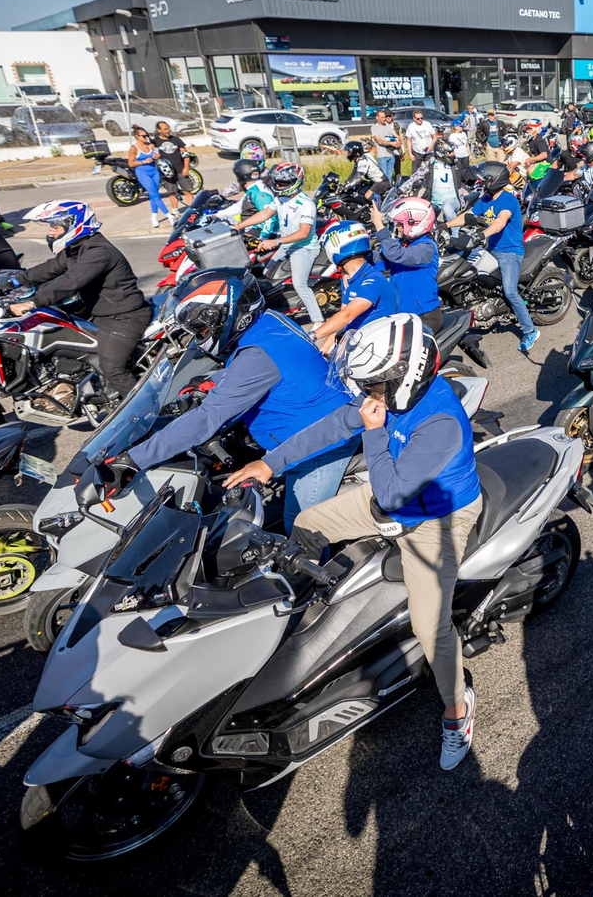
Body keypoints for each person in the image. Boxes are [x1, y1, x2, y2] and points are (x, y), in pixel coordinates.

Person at [226, 313, 484, 770]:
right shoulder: (387, 397)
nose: (367, 394)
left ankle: (456, 708)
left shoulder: (439, 419)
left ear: (405, 376)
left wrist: (374, 430)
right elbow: (329, 428)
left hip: (437, 518)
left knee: (431, 625)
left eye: (374, 385)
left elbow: (390, 493)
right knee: (307, 522)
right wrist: (269, 465)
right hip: (396, 493)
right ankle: (295, 617)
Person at [113, 270, 353, 530]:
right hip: (312, 426)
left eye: (201, 328)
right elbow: (270, 368)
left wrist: (133, 460)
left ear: (225, 318)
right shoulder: (270, 322)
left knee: (302, 530)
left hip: (319, 446)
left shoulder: (257, 354)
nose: (199, 336)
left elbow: (208, 418)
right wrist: (213, 381)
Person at [15, 200, 152, 402]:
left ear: (74, 225)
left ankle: (153, 409)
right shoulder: (77, 248)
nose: (52, 232)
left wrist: (32, 303)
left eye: (55, 226)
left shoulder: (98, 252)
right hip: (103, 314)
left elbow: (70, 282)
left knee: (112, 368)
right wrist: (14, 281)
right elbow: (50, 268)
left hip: (124, 318)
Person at [471, 163, 538, 353]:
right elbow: (469, 215)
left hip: (510, 252)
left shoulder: (508, 200)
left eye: (485, 180)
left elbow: (500, 222)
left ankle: (530, 330)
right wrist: (443, 224)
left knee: (510, 291)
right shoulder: (486, 198)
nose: (482, 183)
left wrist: (482, 235)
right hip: (492, 248)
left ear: (494, 181)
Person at [252, 162, 323, 325]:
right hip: (286, 245)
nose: (278, 185)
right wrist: (238, 227)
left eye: (282, 183)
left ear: (294, 182)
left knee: (300, 284)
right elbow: (263, 215)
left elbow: (303, 233)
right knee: (267, 274)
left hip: (304, 247)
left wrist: (276, 241)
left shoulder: (306, 204)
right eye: (276, 182)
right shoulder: (280, 199)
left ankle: (318, 322)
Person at [311, 222, 394, 353]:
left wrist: (312, 336)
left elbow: (347, 315)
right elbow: (341, 320)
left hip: (374, 350)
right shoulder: (350, 279)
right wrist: (322, 350)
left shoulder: (373, 280)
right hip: (355, 345)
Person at [370, 196, 443, 333]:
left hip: (424, 316)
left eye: (400, 224)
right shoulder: (404, 244)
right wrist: (358, 257)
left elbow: (396, 254)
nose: (397, 228)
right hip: (402, 315)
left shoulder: (426, 248)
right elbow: (382, 260)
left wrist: (379, 225)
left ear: (414, 223)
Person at [127, 126, 172, 229]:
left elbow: (156, 154)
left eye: (147, 135)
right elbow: (131, 163)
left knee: (153, 195)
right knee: (156, 195)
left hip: (154, 171)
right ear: (137, 136)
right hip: (143, 172)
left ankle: (154, 217)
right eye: (143, 136)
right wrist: (143, 161)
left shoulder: (150, 146)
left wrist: (157, 156)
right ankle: (169, 215)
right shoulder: (134, 148)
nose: (146, 137)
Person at [152, 120, 193, 205]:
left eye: (168, 129)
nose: (167, 131)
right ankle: (175, 212)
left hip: (180, 170)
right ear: (159, 130)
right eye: (165, 129)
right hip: (167, 172)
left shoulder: (176, 139)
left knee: (187, 191)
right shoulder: (155, 142)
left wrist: (186, 168)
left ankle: (193, 210)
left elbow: (185, 154)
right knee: (172, 193)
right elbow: (152, 153)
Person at [370, 110, 402, 183]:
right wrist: (391, 143)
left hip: (391, 154)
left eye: (384, 117)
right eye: (382, 117)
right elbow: (379, 141)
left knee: (389, 176)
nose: (384, 119)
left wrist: (399, 140)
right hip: (382, 155)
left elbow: (394, 134)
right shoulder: (374, 127)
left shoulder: (386, 125)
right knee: (384, 176)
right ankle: (385, 191)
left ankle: (390, 191)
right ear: (377, 117)